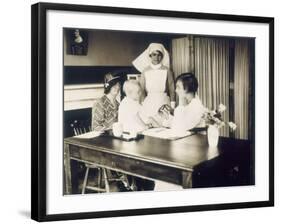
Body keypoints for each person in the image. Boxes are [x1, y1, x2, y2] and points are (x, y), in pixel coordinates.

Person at [132, 43, 175, 126]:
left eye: (159, 55)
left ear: (162, 56)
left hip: (163, 100)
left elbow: (171, 88)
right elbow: (142, 89)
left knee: (164, 124)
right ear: (150, 56)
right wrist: (143, 103)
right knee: (150, 124)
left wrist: (172, 105)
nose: (156, 57)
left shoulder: (167, 70)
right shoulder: (145, 71)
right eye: (154, 54)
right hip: (149, 101)